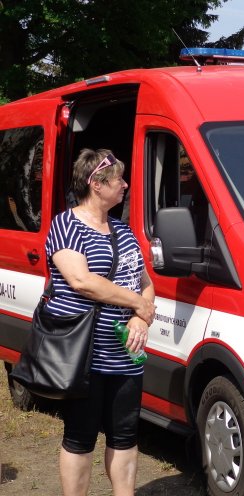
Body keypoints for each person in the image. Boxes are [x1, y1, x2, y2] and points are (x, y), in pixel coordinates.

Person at [44, 148, 156, 496]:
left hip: (126, 358)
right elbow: (82, 281)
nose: (125, 185)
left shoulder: (123, 230)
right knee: (80, 438)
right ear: (96, 184)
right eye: (118, 179)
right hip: (84, 357)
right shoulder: (66, 226)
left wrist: (140, 318)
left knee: (125, 437)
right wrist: (138, 303)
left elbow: (145, 282)